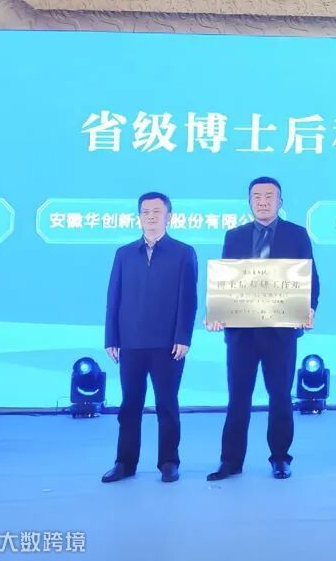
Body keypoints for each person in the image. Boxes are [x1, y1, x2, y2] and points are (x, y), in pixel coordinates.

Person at [206, 177, 320, 481]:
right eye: (257, 196)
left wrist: (309, 308)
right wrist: (216, 312)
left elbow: (311, 278)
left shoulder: (296, 234)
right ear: (249, 202)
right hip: (242, 333)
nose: (263, 201)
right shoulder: (234, 236)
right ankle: (230, 461)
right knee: (238, 398)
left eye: (270, 196)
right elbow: (225, 283)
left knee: (280, 396)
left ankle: (280, 458)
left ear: (280, 202)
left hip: (280, 332)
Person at [102, 192, 198, 483]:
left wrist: (183, 336)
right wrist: (111, 337)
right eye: (146, 212)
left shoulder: (183, 252)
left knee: (167, 404)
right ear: (139, 217)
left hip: (168, 344)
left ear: (169, 216)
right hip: (130, 342)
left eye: (157, 211)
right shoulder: (124, 253)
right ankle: (125, 462)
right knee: (129, 405)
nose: (151, 216)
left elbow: (189, 300)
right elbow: (113, 298)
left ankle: (168, 461)